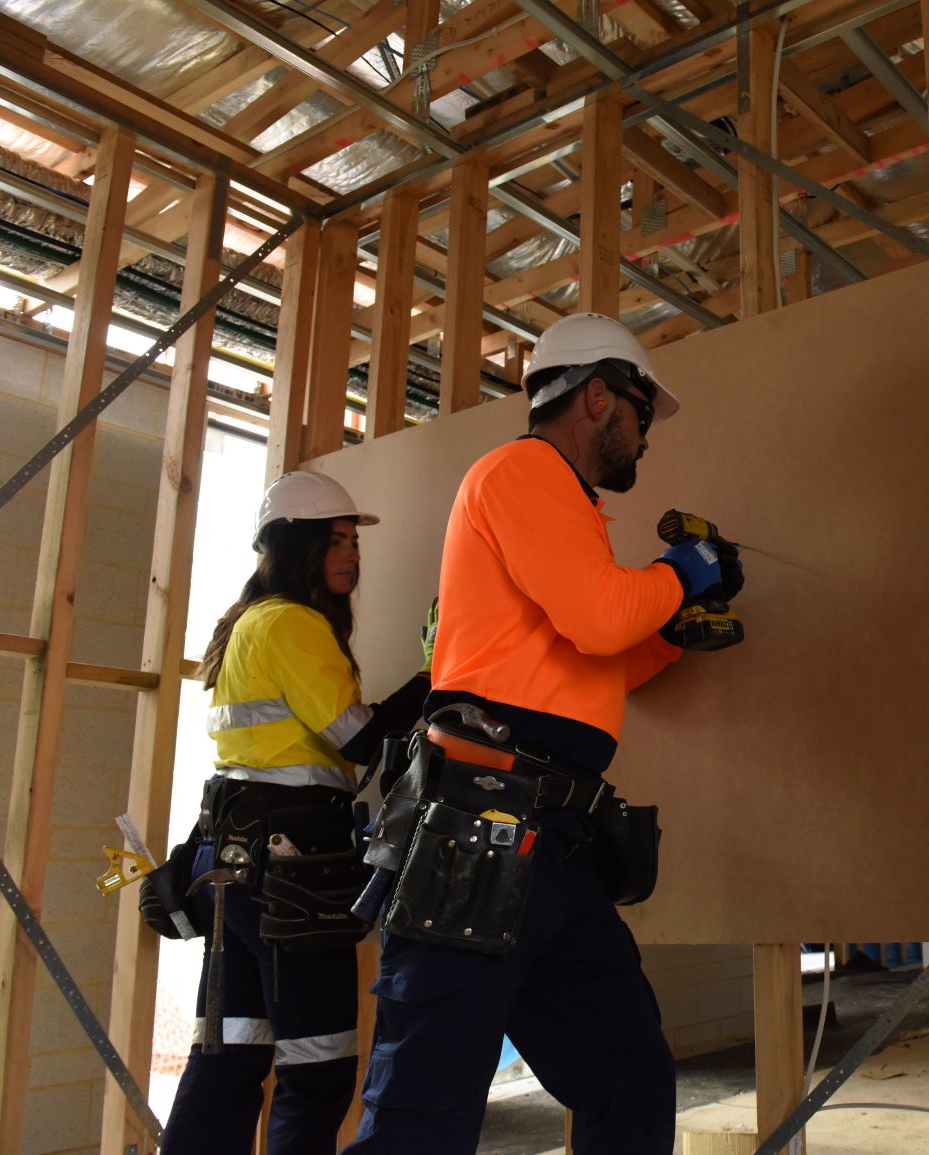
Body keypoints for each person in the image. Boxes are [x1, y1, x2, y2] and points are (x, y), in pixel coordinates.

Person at [345, 312, 742, 1154]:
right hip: (475, 829)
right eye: (639, 416)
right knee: (421, 1116)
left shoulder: (566, 506)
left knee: (629, 1078)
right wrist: (681, 574)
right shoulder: (519, 471)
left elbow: (598, 666)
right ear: (598, 397)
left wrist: (672, 627)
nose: (644, 439)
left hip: (552, 842)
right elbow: (602, 620)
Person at [160, 470, 430, 1154]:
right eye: (335, 541)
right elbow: (365, 740)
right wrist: (437, 678)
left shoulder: (250, 623)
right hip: (293, 872)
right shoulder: (293, 624)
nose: (352, 554)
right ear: (294, 546)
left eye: (353, 542)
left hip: (240, 865)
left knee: (229, 1061)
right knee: (318, 1067)